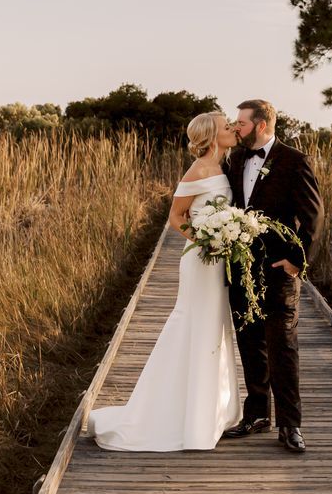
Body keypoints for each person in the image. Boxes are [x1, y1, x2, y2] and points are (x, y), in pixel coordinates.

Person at [87, 111, 242, 451]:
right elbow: (176, 216)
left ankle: (207, 414)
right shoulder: (198, 170)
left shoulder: (225, 166)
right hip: (201, 261)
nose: (232, 128)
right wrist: (204, 239)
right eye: (226, 125)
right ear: (211, 135)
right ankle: (171, 418)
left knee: (213, 331)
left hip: (218, 263)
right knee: (194, 328)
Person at [224, 99, 324, 454]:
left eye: (241, 123)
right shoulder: (235, 159)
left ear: (262, 125)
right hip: (240, 267)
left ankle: (290, 424)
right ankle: (256, 415)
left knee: (282, 345)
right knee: (249, 343)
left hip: (278, 268)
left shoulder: (295, 160)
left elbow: (312, 215)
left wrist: (299, 261)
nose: (236, 128)